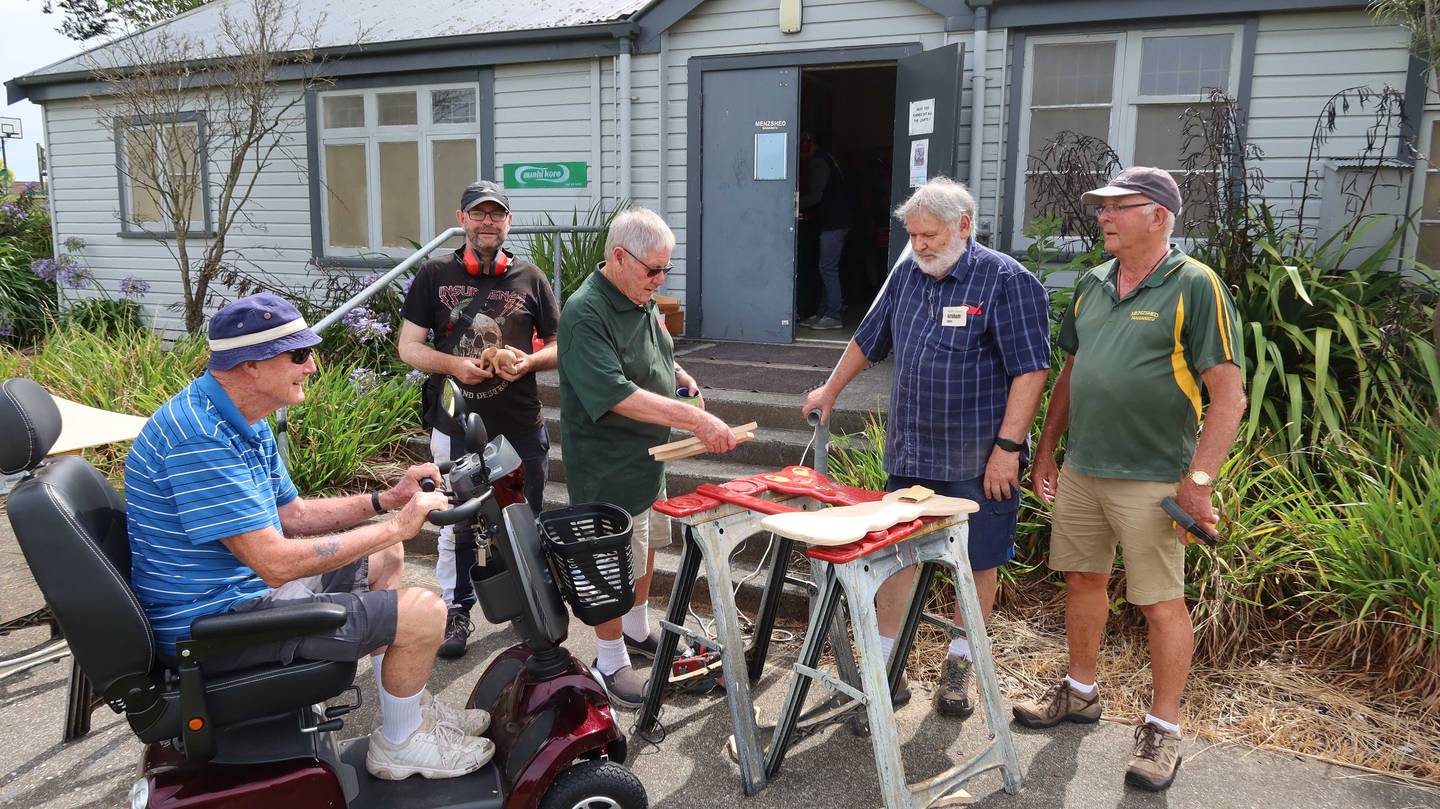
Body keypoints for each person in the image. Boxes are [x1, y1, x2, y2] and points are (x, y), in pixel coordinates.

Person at [125, 293, 494, 781]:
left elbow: (293, 516)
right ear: (251, 363)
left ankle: (410, 716)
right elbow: (274, 563)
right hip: (215, 628)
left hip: (236, 595)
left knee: (385, 553)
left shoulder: (241, 420)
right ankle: (400, 747)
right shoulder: (200, 438)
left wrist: (387, 500)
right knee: (425, 611)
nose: (313, 366)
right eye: (299, 354)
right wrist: (398, 523)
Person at [1016, 167, 1245, 792]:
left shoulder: (1196, 286)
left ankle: (1162, 731)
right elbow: (1072, 373)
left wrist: (1198, 481)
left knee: (1160, 602)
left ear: (1160, 217)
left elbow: (1229, 395)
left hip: (1154, 480)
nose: (1103, 216)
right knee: (1083, 579)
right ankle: (1081, 692)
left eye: (1120, 207)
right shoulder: (1092, 284)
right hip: (1085, 471)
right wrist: (1046, 452)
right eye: (1102, 207)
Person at [804, 177, 1051, 717]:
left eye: (929, 235)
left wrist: (1008, 448)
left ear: (964, 226)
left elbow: (1031, 370)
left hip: (981, 461)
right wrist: (830, 388)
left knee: (977, 562)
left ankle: (960, 669)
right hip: (913, 454)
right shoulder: (907, 275)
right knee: (896, 559)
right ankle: (886, 668)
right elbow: (869, 338)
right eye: (912, 235)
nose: (919, 246)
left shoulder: (1006, 281)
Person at [557, 207, 739, 708]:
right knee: (610, 562)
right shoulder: (585, 311)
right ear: (618, 256)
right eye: (652, 270)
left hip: (647, 457)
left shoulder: (637, 295)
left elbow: (649, 352)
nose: (659, 281)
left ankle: (637, 630)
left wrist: (678, 375)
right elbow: (615, 391)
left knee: (648, 542)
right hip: (605, 465)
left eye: (666, 270)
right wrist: (698, 421)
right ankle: (610, 659)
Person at [398, 180, 560, 659]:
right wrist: (453, 366)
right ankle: (457, 609)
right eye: (478, 213)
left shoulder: (531, 277)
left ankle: (526, 605)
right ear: (462, 218)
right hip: (455, 424)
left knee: (525, 518)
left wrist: (528, 362)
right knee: (458, 524)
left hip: (521, 423)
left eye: (497, 214)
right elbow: (408, 346)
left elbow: (558, 346)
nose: (488, 221)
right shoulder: (434, 274)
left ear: (508, 222)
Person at [798, 132, 853, 331]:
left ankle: (833, 314)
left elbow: (816, 195)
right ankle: (823, 312)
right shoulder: (827, 158)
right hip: (835, 222)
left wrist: (794, 204)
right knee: (826, 268)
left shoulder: (819, 162)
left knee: (828, 268)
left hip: (834, 223)